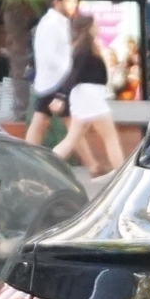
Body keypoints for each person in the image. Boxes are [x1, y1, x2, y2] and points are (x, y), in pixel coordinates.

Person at [53, 13, 125, 177]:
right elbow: (74, 73)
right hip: (90, 96)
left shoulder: (83, 46)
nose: (98, 27)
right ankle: (121, 176)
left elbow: (73, 74)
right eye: (95, 24)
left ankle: (47, 166)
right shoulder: (85, 48)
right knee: (110, 137)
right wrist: (61, 95)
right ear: (88, 27)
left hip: (84, 96)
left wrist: (61, 95)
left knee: (72, 139)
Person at [23, 0, 78, 144]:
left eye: (75, 1)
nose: (73, 5)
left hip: (55, 82)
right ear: (56, 2)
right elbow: (48, 55)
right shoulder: (51, 23)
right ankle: (92, 163)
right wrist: (68, 69)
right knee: (71, 126)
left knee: (44, 123)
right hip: (53, 82)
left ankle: (92, 162)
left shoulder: (62, 23)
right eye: (69, 1)